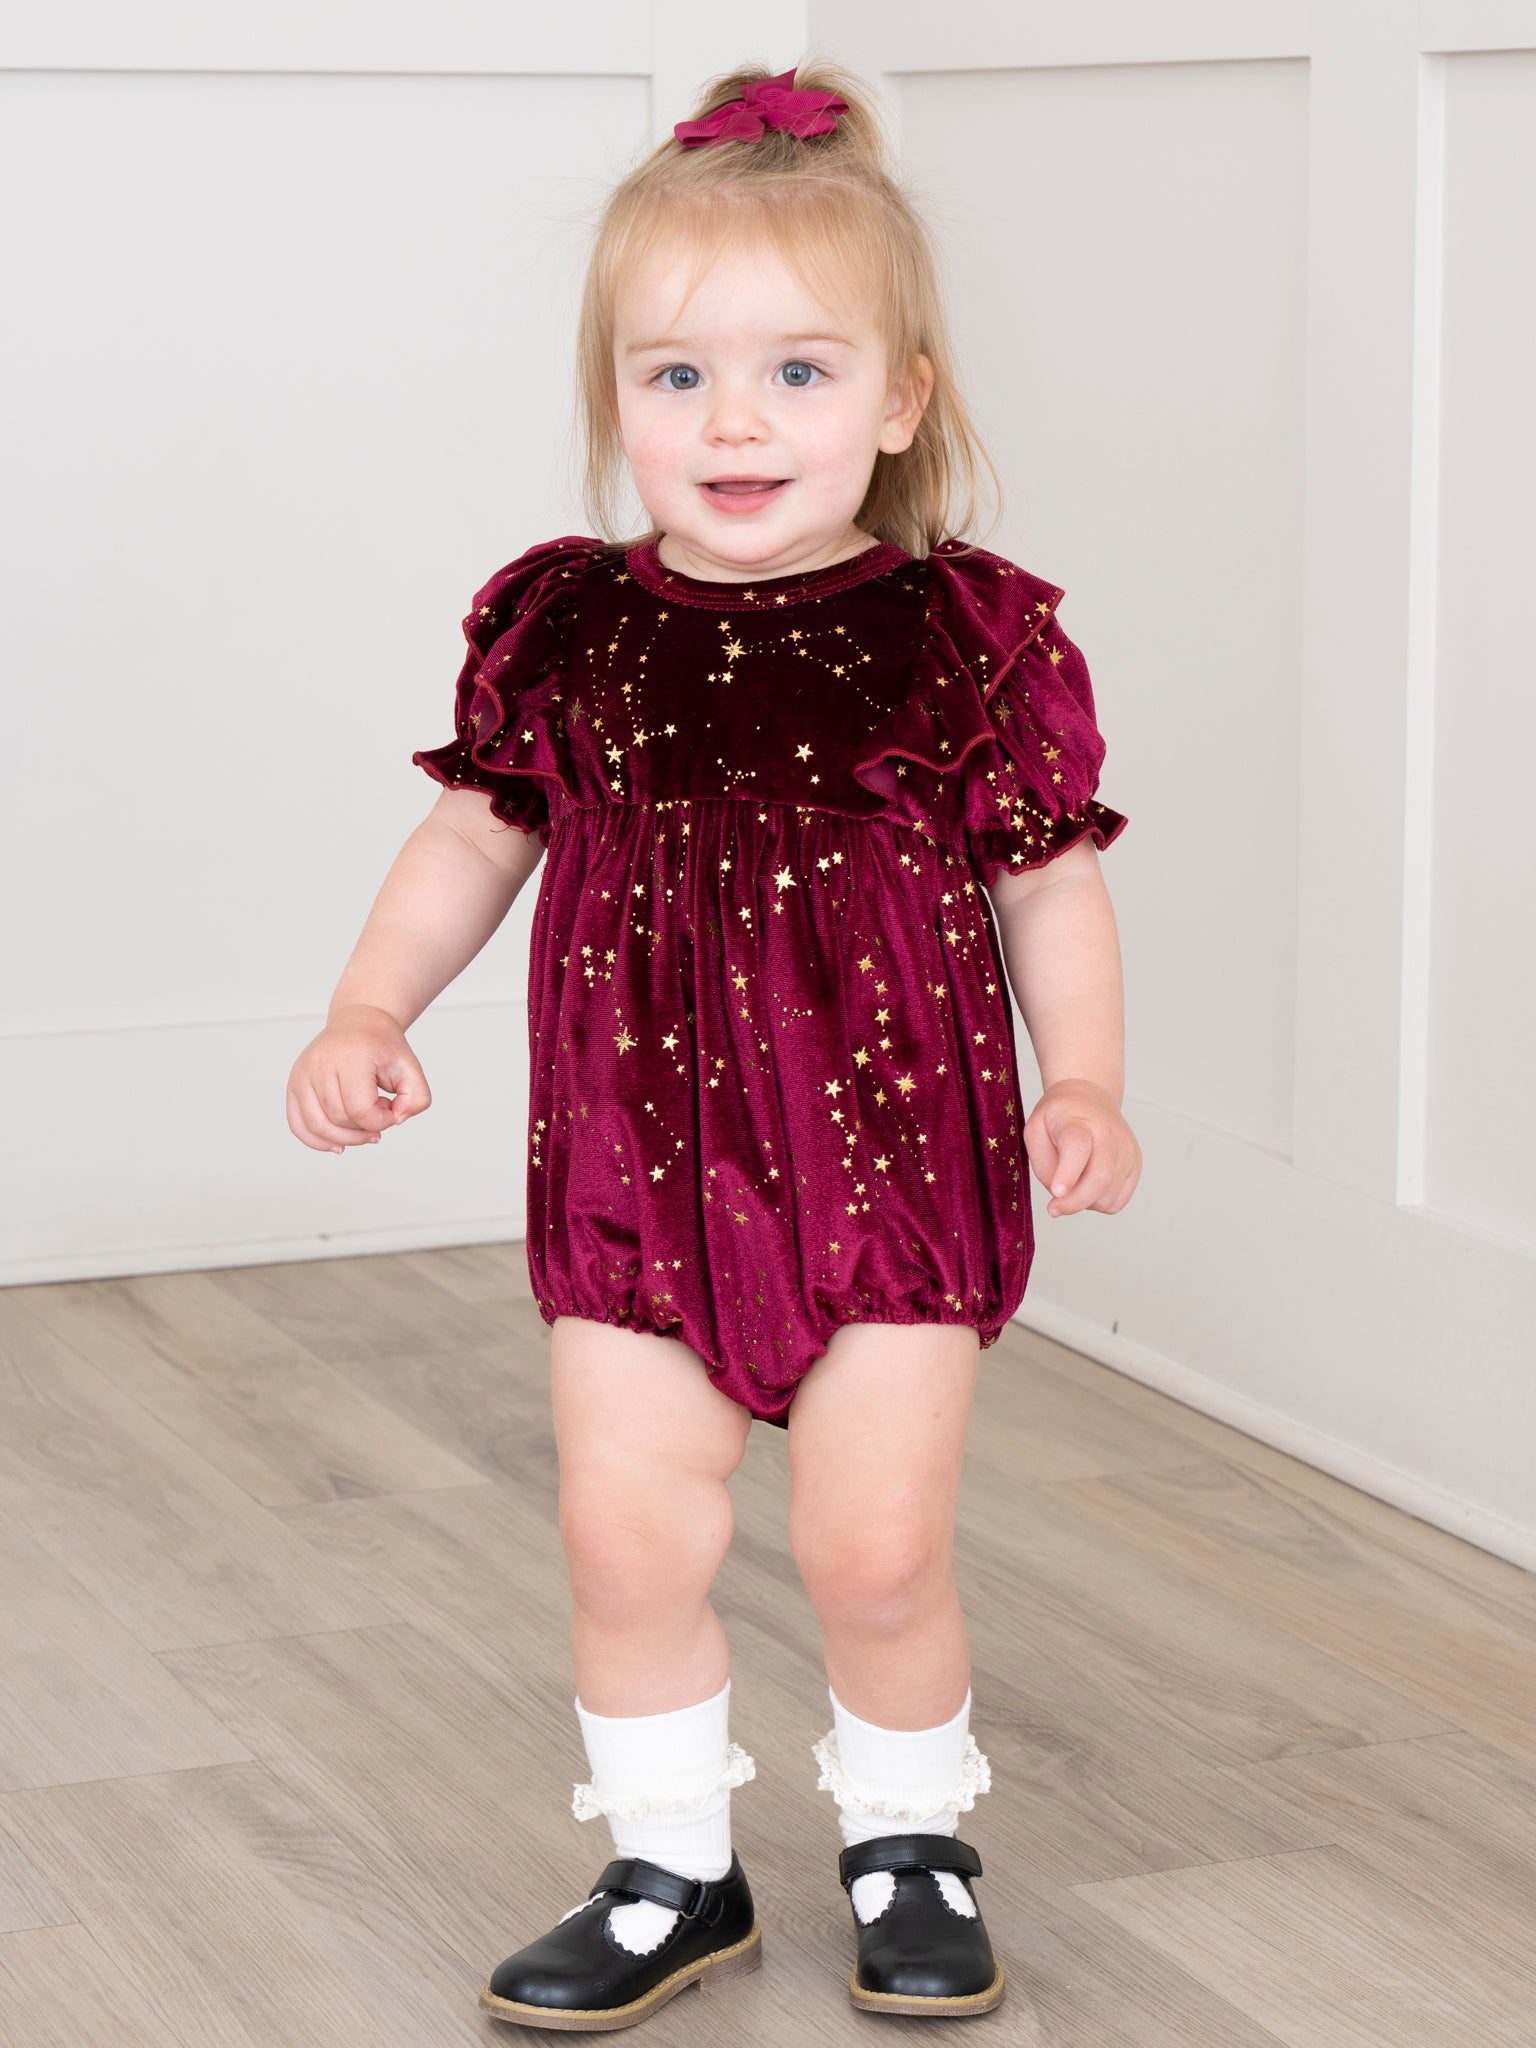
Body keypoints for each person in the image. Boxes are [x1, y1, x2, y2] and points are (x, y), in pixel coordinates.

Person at [286, 56, 1139, 2032]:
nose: (733, 421)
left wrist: (1085, 1074)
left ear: (900, 400)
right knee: (624, 1536)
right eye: (676, 375)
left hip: (896, 1179)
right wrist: (367, 1005)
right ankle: (669, 1865)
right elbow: (469, 838)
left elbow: (1050, 883)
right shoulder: (572, 630)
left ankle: (911, 1843)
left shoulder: (963, 639)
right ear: (616, 404)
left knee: (873, 1547)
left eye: (796, 373)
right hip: (633, 1177)